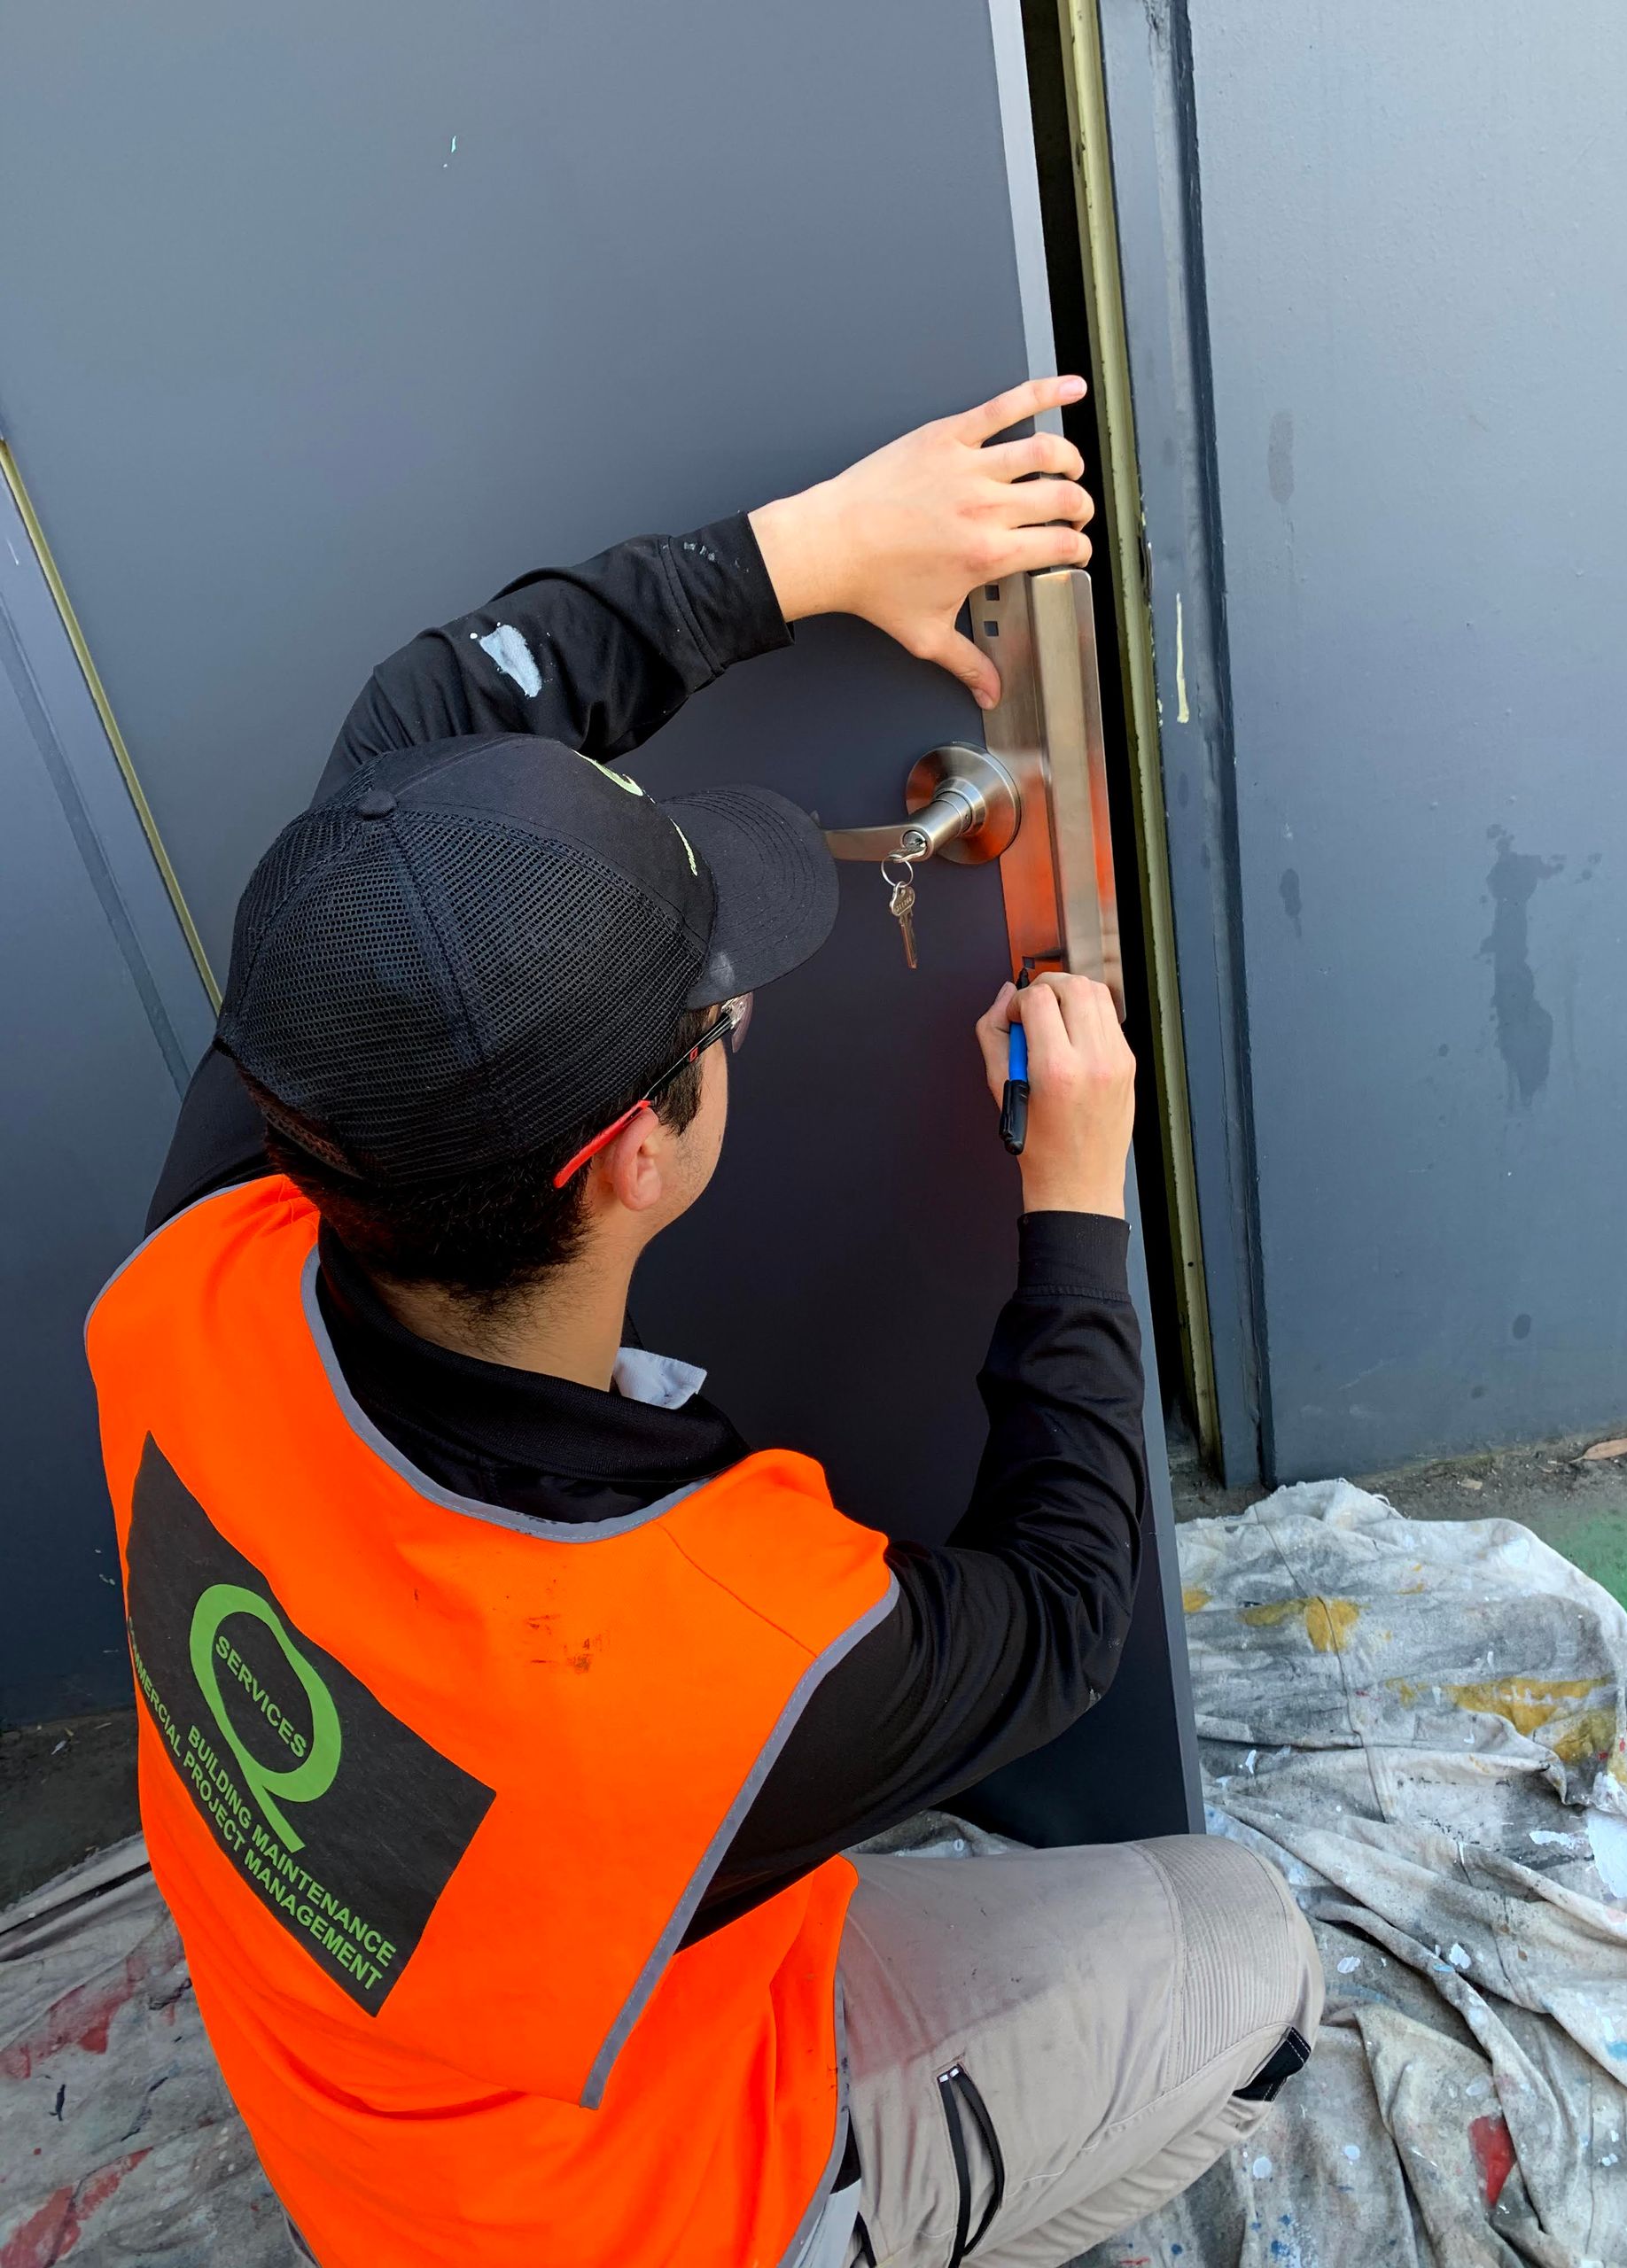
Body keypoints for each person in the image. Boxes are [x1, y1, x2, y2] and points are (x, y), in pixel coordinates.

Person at [88, 377, 1320, 2268]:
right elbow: (1066, 1609)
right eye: (715, 1003)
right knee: (1253, 1948)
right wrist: (1076, 1198)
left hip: (362, 2110)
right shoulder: (705, 1647)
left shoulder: (195, 1268)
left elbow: (421, 733)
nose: (738, 1011)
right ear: (634, 1156)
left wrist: (814, 551)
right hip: (611, 2215)